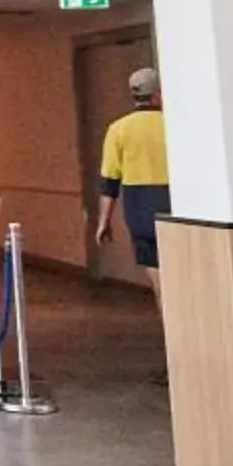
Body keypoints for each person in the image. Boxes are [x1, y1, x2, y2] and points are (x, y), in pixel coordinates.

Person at [94, 66, 169, 296]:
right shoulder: (173, 124)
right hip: (176, 202)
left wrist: (103, 221)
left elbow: (110, 182)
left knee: (156, 270)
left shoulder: (118, 129)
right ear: (157, 94)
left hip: (139, 208)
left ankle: (167, 318)